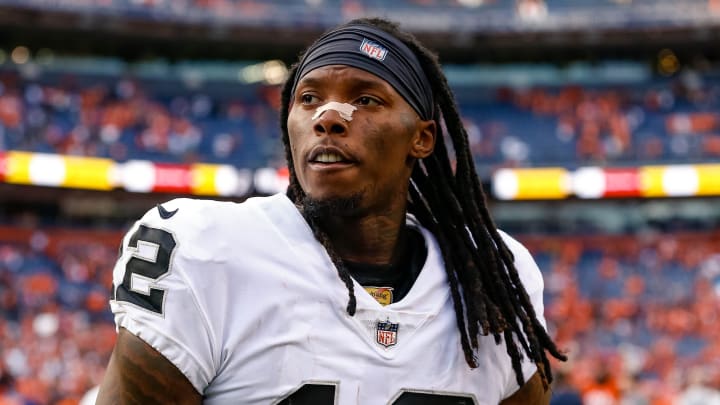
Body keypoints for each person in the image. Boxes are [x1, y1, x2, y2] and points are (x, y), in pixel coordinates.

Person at [96, 17, 566, 404]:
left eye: (365, 99)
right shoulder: (204, 250)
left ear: (421, 138)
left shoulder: (494, 277)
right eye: (309, 99)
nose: (329, 117)